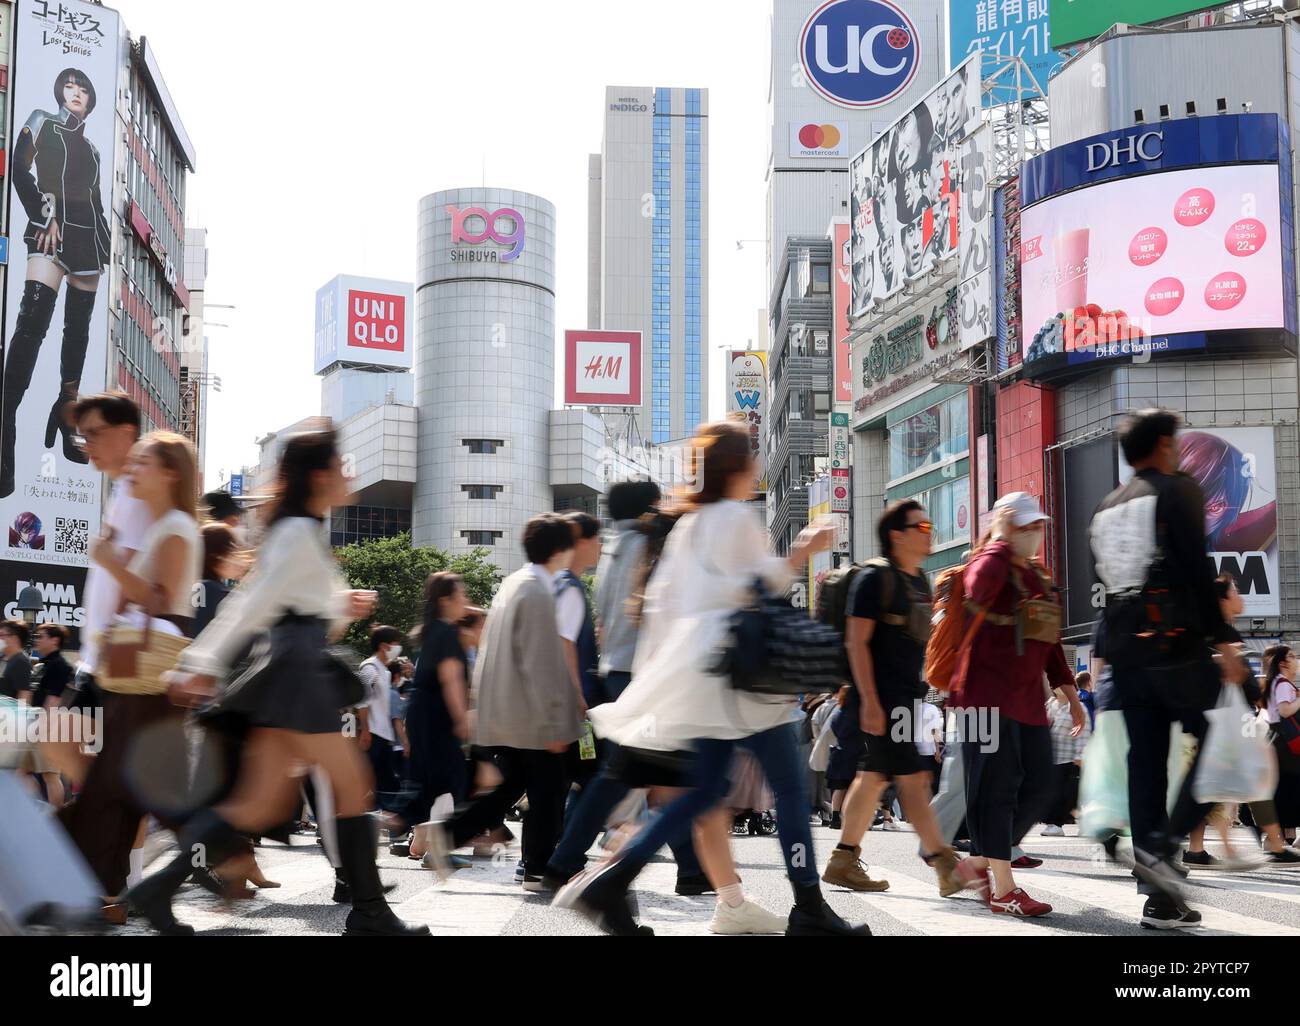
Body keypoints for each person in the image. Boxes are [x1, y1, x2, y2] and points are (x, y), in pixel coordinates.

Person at [562, 421, 868, 937]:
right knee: (790, 790)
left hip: (700, 681)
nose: (755, 469)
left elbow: (663, 609)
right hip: (747, 681)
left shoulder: (687, 525)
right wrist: (803, 550)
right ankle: (810, 908)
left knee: (702, 792)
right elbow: (758, 585)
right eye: (751, 459)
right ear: (739, 467)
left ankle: (612, 883)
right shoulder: (733, 517)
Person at [127, 426, 428, 937]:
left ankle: (156, 890)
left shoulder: (301, 529)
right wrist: (199, 663)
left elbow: (286, 602)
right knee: (352, 786)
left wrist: (338, 603)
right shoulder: (296, 533)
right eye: (342, 465)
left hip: (291, 668)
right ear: (319, 475)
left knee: (257, 804)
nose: (348, 474)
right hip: (296, 673)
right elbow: (256, 604)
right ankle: (371, 914)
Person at [1090, 409, 1232, 929]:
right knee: (1216, 745)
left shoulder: (1105, 506)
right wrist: (1227, 642)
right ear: (1164, 446)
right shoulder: (1178, 491)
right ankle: (1165, 847)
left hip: (1126, 657)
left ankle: (1159, 896)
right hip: (1178, 650)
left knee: (1145, 768)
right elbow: (1197, 569)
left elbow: (1105, 591)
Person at [62, 432, 201, 916]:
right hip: (139, 669)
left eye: (145, 461)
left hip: (152, 668)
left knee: (119, 786)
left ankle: (219, 851)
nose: (133, 468)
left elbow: (159, 600)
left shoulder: (178, 526)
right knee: (119, 785)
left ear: (170, 473)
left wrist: (108, 565)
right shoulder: (165, 525)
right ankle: (109, 894)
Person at [420, 516, 584, 891]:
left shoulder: (513, 584)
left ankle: (453, 836)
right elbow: (539, 663)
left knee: (514, 788)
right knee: (547, 792)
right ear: (560, 550)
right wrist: (554, 721)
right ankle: (536, 867)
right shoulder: (539, 592)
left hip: (504, 712)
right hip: (529, 717)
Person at [951, 493, 1085, 917]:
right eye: (1024, 526)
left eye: (1036, 526)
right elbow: (976, 590)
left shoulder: (1036, 576)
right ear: (1005, 526)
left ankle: (976, 863)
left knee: (1042, 786)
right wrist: (1000, 540)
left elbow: (1049, 643)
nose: (1033, 533)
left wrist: (1071, 694)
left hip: (1026, 703)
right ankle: (1002, 889)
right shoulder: (987, 563)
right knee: (995, 791)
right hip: (981, 701)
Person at [822, 501, 961, 899]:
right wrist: (868, 699)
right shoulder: (873, 578)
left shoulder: (919, 580)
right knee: (913, 781)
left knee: (872, 779)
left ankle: (844, 859)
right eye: (923, 524)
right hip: (880, 696)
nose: (929, 530)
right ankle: (944, 864)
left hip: (904, 696)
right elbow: (856, 641)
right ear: (898, 534)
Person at [1, 68, 112, 497]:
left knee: (77, 333)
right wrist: (41, 214)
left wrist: (103, 248)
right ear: (59, 91)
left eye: (84, 88)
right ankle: (5, 434)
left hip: (89, 243)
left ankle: (67, 408)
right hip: (49, 230)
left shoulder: (96, 150)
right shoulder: (40, 120)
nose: (77, 93)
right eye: (71, 86)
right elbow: (19, 168)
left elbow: (97, 202)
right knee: (30, 330)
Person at [391, 574, 473, 866]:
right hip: (437, 719)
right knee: (450, 780)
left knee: (432, 785)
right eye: (461, 595)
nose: (466, 600)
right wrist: (461, 719)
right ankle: (396, 826)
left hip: (424, 717)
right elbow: (451, 679)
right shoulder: (447, 634)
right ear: (445, 601)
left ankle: (412, 835)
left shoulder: (433, 632)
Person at [595, 481, 661, 703]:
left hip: (611, 669)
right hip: (642, 668)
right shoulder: (648, 546)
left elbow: (601, 607)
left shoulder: (608, 550)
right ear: (648, 508)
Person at [25, 623, 74, 807]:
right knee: (48, 775)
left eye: (42, 635)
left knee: (47, 775)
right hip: (41, 725)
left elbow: (52, 701)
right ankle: (50, 814)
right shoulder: (43, 664)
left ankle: (49, 814)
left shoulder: (59, 665)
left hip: (47, 727)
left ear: (55, 640)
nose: (37, 639)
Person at [357, 625, 404, 808]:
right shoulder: (368, 667)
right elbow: (362, 701)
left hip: (384, 737)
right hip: (373, 735)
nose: (398, 648)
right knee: (368, 781)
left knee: (386, 783)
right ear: (384, 646)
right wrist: (365, 731)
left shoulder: (384, 672)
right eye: (396, 644)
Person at [1042, 688, 1090, 837]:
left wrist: (1080, 755)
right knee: (1057, 794)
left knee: (1066, 794)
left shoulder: (1077, 707)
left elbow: (1084, 730)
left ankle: (1056, 824)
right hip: (1051, 758)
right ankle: (1082, 821)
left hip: (1069, 759)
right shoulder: (1050, 704)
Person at [193, 522, 249, 636]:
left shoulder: (200, 587)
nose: (240, 560)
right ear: (216, 557)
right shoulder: (208, 589)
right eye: (233, 552)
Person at [0, 621, 32, 700]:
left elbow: (24, 694)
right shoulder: (3, 657)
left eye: (1, 635)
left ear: (14, 638)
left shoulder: (21, 662)